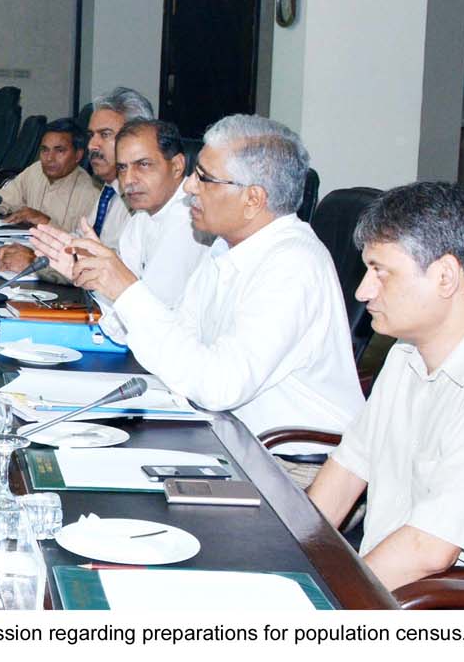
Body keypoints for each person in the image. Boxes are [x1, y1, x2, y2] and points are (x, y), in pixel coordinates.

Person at [61, 114, 363, 437]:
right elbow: (180, 340)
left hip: (285, 462)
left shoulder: (292, 265)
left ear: (253, 199)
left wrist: (126, 290)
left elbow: (220, 386)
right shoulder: (225, 246)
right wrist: (104, 284)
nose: (189, 187)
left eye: (204, 178)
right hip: (223, 433)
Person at [307, 182, 464, 590]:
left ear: (445, 277)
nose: (363, 291)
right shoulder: (406, 354)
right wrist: (286, 565)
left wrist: (318, 613)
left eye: (381, 272)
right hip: (387, 593)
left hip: (456, 614)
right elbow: (344, 476)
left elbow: (428, 550)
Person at [28, 118, 209, 333]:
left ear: (177, 166)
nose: (129, 180)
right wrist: (94, 276)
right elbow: (118, 320)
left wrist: (108, 278)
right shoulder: (141, 218)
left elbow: (153, 325)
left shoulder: (189, 222)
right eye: (122, 168)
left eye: (143, 164)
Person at [0, 87, 152, 273]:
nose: (92, 145)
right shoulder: (109, 190)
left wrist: (35, 261)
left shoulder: (142, 199)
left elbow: (119, 270)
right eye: (91, 135)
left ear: (138, 140)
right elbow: (80, 244)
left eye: (105, 134)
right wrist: (36, 253)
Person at [0, 118, 98, 230]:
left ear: (78, 155)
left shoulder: (90, 195)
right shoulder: (36, 170)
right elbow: (1, 199)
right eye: (45, 150)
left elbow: (81, 250)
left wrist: (46, 222)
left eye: (59, 151)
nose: (49, 158)